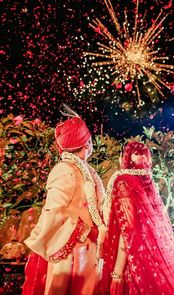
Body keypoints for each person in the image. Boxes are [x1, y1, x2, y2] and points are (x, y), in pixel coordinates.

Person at [22, 110, 106, 295]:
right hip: (71, 247)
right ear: (87, 143)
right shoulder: (66, 169)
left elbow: (56, 209)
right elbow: (55, 209)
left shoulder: (82, 170)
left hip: (83, 246)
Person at [101, 141, 174, 295]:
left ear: (125, 158)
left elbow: (128, 230)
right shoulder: (146, 182)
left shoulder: (124, 181)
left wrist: (117, 273)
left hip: (135, 263)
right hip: (154, 262)